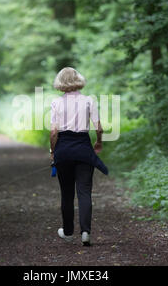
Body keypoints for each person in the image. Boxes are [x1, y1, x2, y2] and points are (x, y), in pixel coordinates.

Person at [50, 67, 108, 246]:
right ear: (78, 80)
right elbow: (98, 128)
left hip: (64, 149)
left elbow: (53, 132)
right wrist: (98, 142)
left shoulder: (56, 103)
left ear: (60, 82)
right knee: (84, 192)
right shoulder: (89, 100)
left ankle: (67, 233)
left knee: (66, 193)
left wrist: (53, 151)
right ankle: (85, 232)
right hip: (83, 148)